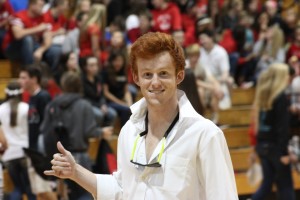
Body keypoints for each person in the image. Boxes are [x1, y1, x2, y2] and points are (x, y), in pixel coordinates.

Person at [44, 32, 238, 199]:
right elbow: (123, 190)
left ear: (179, 76)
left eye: (163, 73)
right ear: (136, 78)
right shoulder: (129, 130)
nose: (154, 82)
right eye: (147, 74)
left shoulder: (205, 134)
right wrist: (75, 172)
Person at [41, 71, 113, 200]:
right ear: (79, 85)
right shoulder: (84, 105)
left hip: (58, 158)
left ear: (62, 85)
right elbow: (89, 131)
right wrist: (101, 132)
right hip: (79, 156)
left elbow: (44, 130)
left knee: (65, 196)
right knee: (85, 194)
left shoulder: (52, 104)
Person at [251, 63, 295, 200]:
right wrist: (284, 153)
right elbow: (282, 128)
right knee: (286, 186)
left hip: (263, 146)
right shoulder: (281, 97)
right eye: (286, 74)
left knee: (267, 184)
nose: (289, 77)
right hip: (276, 148)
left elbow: (260, 125)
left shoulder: (263, 95)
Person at [19, 66, 56, 200]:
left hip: (41, 153)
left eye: (24, 78)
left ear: (34, 79)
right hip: (33, 150)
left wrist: (45, 153)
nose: (20, 81)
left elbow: (48, 126)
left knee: (46, 190)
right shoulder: (31, 98)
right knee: (39, 193)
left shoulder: (43, 97)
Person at [0, 81, 36, 200]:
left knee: (17, 189)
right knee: (30, 189)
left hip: (9, 154)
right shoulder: (26, 108)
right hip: (24, 152)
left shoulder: (1, 109)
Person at [3, 0, 61, 71]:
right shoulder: (19, 16)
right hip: (12, 49)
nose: (43, 9)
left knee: (55, 50)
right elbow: (18, 35)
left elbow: (48, 37)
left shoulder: (42, 18)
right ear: (32, 6)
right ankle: (30, 71)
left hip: (34, 48)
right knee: (28, 39)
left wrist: (41, 50)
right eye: (41, 6)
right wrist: (37, 28)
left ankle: (50, 76)